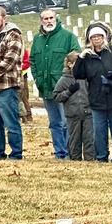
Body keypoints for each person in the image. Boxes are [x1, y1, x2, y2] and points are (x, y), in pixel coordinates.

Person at [30, 9, 80, 160]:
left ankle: (69, 151)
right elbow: (32, 60)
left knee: (66, 123)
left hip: (63, 89)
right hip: (46, 87)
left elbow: (76, 58)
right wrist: (38, 79)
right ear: (41, 20)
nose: (49, 21)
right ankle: (59, 152)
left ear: (56, 19)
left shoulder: (68, 36)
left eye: (51, 18)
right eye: (45, 18)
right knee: (54, 123)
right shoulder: (38, 39)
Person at [73, 22, 112, 163]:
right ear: (89, 39)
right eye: (93, 37)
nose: (97, 39)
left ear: (105, 36)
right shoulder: (88, 57)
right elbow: (78, 74)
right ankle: (102, 157)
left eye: (99, 36)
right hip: (97, 100)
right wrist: (81, 58)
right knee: (99, 134)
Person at [0, 6, 24, 160]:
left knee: (11, 123)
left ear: (4, 18)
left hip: (6, 86)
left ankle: (16, 153)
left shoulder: (13, 35)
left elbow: (9, 61)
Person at [52, 51, 95, 161]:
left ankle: (90, 159)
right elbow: (56, 96)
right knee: (74, 140)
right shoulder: (64, 79)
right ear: (69, 64)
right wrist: (69, 91)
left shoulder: (86, 78)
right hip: (73, 114)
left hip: (88, 112)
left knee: (89, 139)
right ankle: (75, 160)